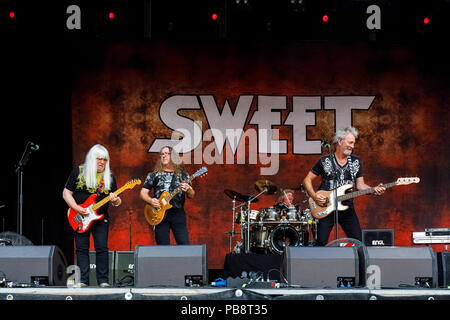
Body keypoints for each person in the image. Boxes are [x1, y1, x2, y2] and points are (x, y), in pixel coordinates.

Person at [302, 127, 385, 246]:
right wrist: (314, 196)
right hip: (325, 207)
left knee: (358, 243)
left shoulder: (356, 162)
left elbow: (360, 184)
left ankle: (361, 264)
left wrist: (373, 189)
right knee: (321, 243)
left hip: (347, 208)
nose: (352, 146)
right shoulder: (325, 161)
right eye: (350, 142)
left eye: (354, 143)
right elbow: (307, 180)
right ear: (340, 141)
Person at [62, 144, 121, 287]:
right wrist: (76, 208)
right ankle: (83, 280)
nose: (102, 162)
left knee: (102, 247)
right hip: (79, 216)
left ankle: (103, 281)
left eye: (105, 159)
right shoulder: (79, 171)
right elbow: (66, 193)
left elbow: (117, 201)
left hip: (100, 218)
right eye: (99, 159)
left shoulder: (109, 177)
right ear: (91, 159)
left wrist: (115, 200)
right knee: (81, 248)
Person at [140, 146, 195, 245]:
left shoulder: (183, 175)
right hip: (159, 214)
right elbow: (143, 193)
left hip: (178, 213)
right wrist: (151, 200)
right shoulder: (154, 175)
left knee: (184, 245)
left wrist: (189, 189)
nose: (164, 156)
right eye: (162, 154)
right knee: (162, 246)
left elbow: (191, 195)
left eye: (167, 153)